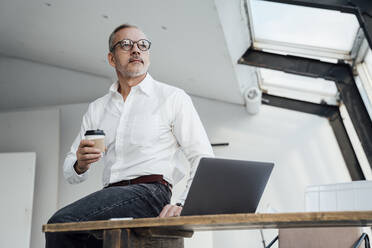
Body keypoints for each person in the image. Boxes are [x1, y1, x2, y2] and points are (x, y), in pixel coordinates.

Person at [45, 24, 214, 247]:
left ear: (148, 55)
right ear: (112, 59)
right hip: (111, 197)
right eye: (125, 44)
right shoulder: (97, 108)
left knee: (61, 224)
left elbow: (202, 156)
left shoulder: (172, 97)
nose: (135, 50)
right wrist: (80, 164)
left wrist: (183, 203)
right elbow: (70, 170)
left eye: (142, 45)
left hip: (151, 191)